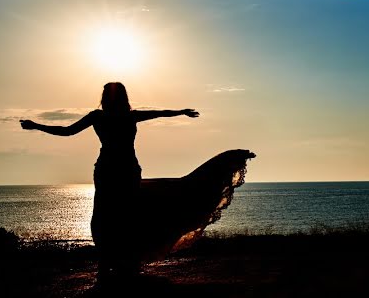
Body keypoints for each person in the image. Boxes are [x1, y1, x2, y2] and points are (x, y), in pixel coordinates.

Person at [21, 82, 254, 279]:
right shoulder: (119, 116)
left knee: (114, 215)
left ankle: (119, 263)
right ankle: (115, 262)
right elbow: (67, 131)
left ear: (105, 98)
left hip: (119, 171)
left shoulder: (107, 117)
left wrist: (180, 112)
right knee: (114, 215)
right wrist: (36, 126)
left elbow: (67, 131)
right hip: (116, 170)